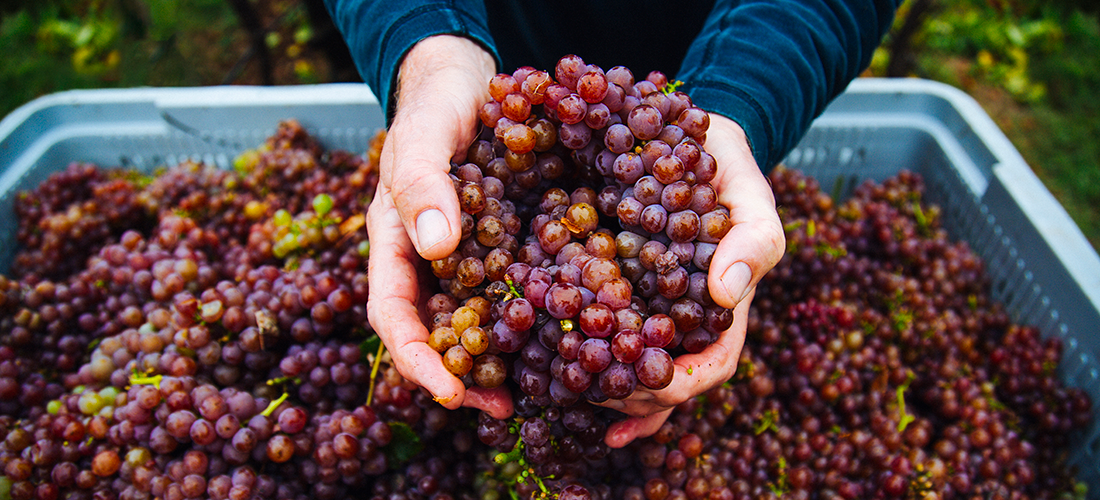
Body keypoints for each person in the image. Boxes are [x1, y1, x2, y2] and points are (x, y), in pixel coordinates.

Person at [322, 0, 901, 448]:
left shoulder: (650, 198)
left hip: (696, 88)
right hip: (488, 85)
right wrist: (432, 48)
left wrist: (737, 101)